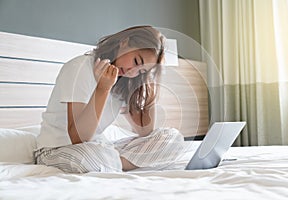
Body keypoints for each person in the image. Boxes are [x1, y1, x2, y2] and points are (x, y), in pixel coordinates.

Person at [34, 25, 184, 173]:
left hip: (100, 148)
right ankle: (116, 162)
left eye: (141, 71)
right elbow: (78, 137)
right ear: (125, 42)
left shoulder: (122, 80)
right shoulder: (79, 67)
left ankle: (113, 163)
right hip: (57, 150)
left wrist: (148, 81)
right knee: (92, 156)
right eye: (136, 62)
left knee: (172, 138)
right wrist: (102, 89)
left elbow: (146, 132)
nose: (133, 72)